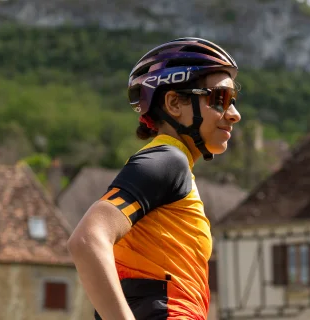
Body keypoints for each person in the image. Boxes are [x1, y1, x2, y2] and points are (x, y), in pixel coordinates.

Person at [67, 37, 242, 320]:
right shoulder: (167, 161)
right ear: (174, 103)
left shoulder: (172, 165)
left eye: (233, 101)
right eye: (219, 98)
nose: (234, 114)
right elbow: (87, 240)